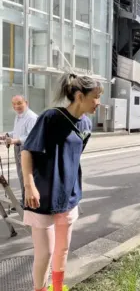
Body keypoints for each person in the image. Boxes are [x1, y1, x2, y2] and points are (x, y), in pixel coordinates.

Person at [21, 73, 103, 291]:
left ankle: (57, 288)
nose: (99, 102)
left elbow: (74, 157)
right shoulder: (50, 118)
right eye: (96, 97)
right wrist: (29, 185)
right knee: (45, 253)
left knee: (63, 250)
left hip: (69, 196)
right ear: (79, 96)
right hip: (42, 195)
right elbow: (27, 150)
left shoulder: (86, 124)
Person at [0, 95, 38, 200]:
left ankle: (29, 202)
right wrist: (6, 135)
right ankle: (24, 200)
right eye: (14, 104)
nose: (17, 106)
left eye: (19, 103)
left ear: (26, 102)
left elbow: (32, 136)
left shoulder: (31, 117)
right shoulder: (19, 115)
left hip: (27, 150)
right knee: (21, 176)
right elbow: (18, 132)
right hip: (18, 148)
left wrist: (14, 140)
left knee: (27, 176)